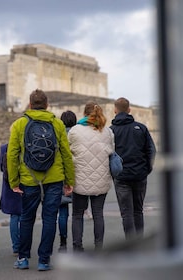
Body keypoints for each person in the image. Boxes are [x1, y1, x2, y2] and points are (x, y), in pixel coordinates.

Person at [8, 89, 75, 271]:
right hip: (53, 179)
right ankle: (44, 260)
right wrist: (69, 180)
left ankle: (23, 258)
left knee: (27, 218)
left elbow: (12, 154)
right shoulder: (58, 124)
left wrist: (14, 182)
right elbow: (66, 155)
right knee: (49, 219)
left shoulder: (19, 124)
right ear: (47, 105)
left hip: (29, 179)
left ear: (30, 105)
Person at [68, 102, 115, 252]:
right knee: (98, 214)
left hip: (80, 178)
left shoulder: (75, 131)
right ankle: (99, 247)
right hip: (101, 179)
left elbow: (69, 153)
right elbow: (111, 151)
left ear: (84, 113)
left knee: (77, 215)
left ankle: (77, 247)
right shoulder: (107, 132)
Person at [110, 97, 156, 240]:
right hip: (139, 175)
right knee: (138, 211)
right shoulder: (141, 128)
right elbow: (151, 150)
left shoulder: (111, 131)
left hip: (121, 177)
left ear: (115, 110)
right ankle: (140, 242)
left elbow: (108, 154)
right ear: (129, 110)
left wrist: (113, 173)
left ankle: (131, 244)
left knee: (126, 213)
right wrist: (147, 169)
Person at [57, 110, 77, 252]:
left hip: (61, 176)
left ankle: (63, 242)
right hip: (78, 176)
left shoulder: (58, 134)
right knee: (78, 213)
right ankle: (77, 243)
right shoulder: (78, 134)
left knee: (62, 212)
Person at [0, 143, 21, 256]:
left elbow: (1, 167)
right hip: (24, 183)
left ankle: (16, 246)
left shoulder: (4, 148)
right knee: (24, 216)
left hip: (9, 185)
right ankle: (24, 244)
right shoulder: (24, 145)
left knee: (14, 216)